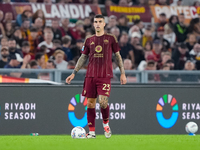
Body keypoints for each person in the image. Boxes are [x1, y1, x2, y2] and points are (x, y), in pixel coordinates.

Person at [66, 15, 127, 139]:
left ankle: (105, 124)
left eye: (100, 22)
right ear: (93, 24)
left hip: (104, 75)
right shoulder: (89, 40)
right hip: (90, 75)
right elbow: (83, 57)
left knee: (103, 103)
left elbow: (118, 56)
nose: (98, 24)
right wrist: (74, 73)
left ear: (104, 24)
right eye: (96, 22)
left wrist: (122, 73)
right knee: (90, 103)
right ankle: (92, 132)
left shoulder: (111, 38)